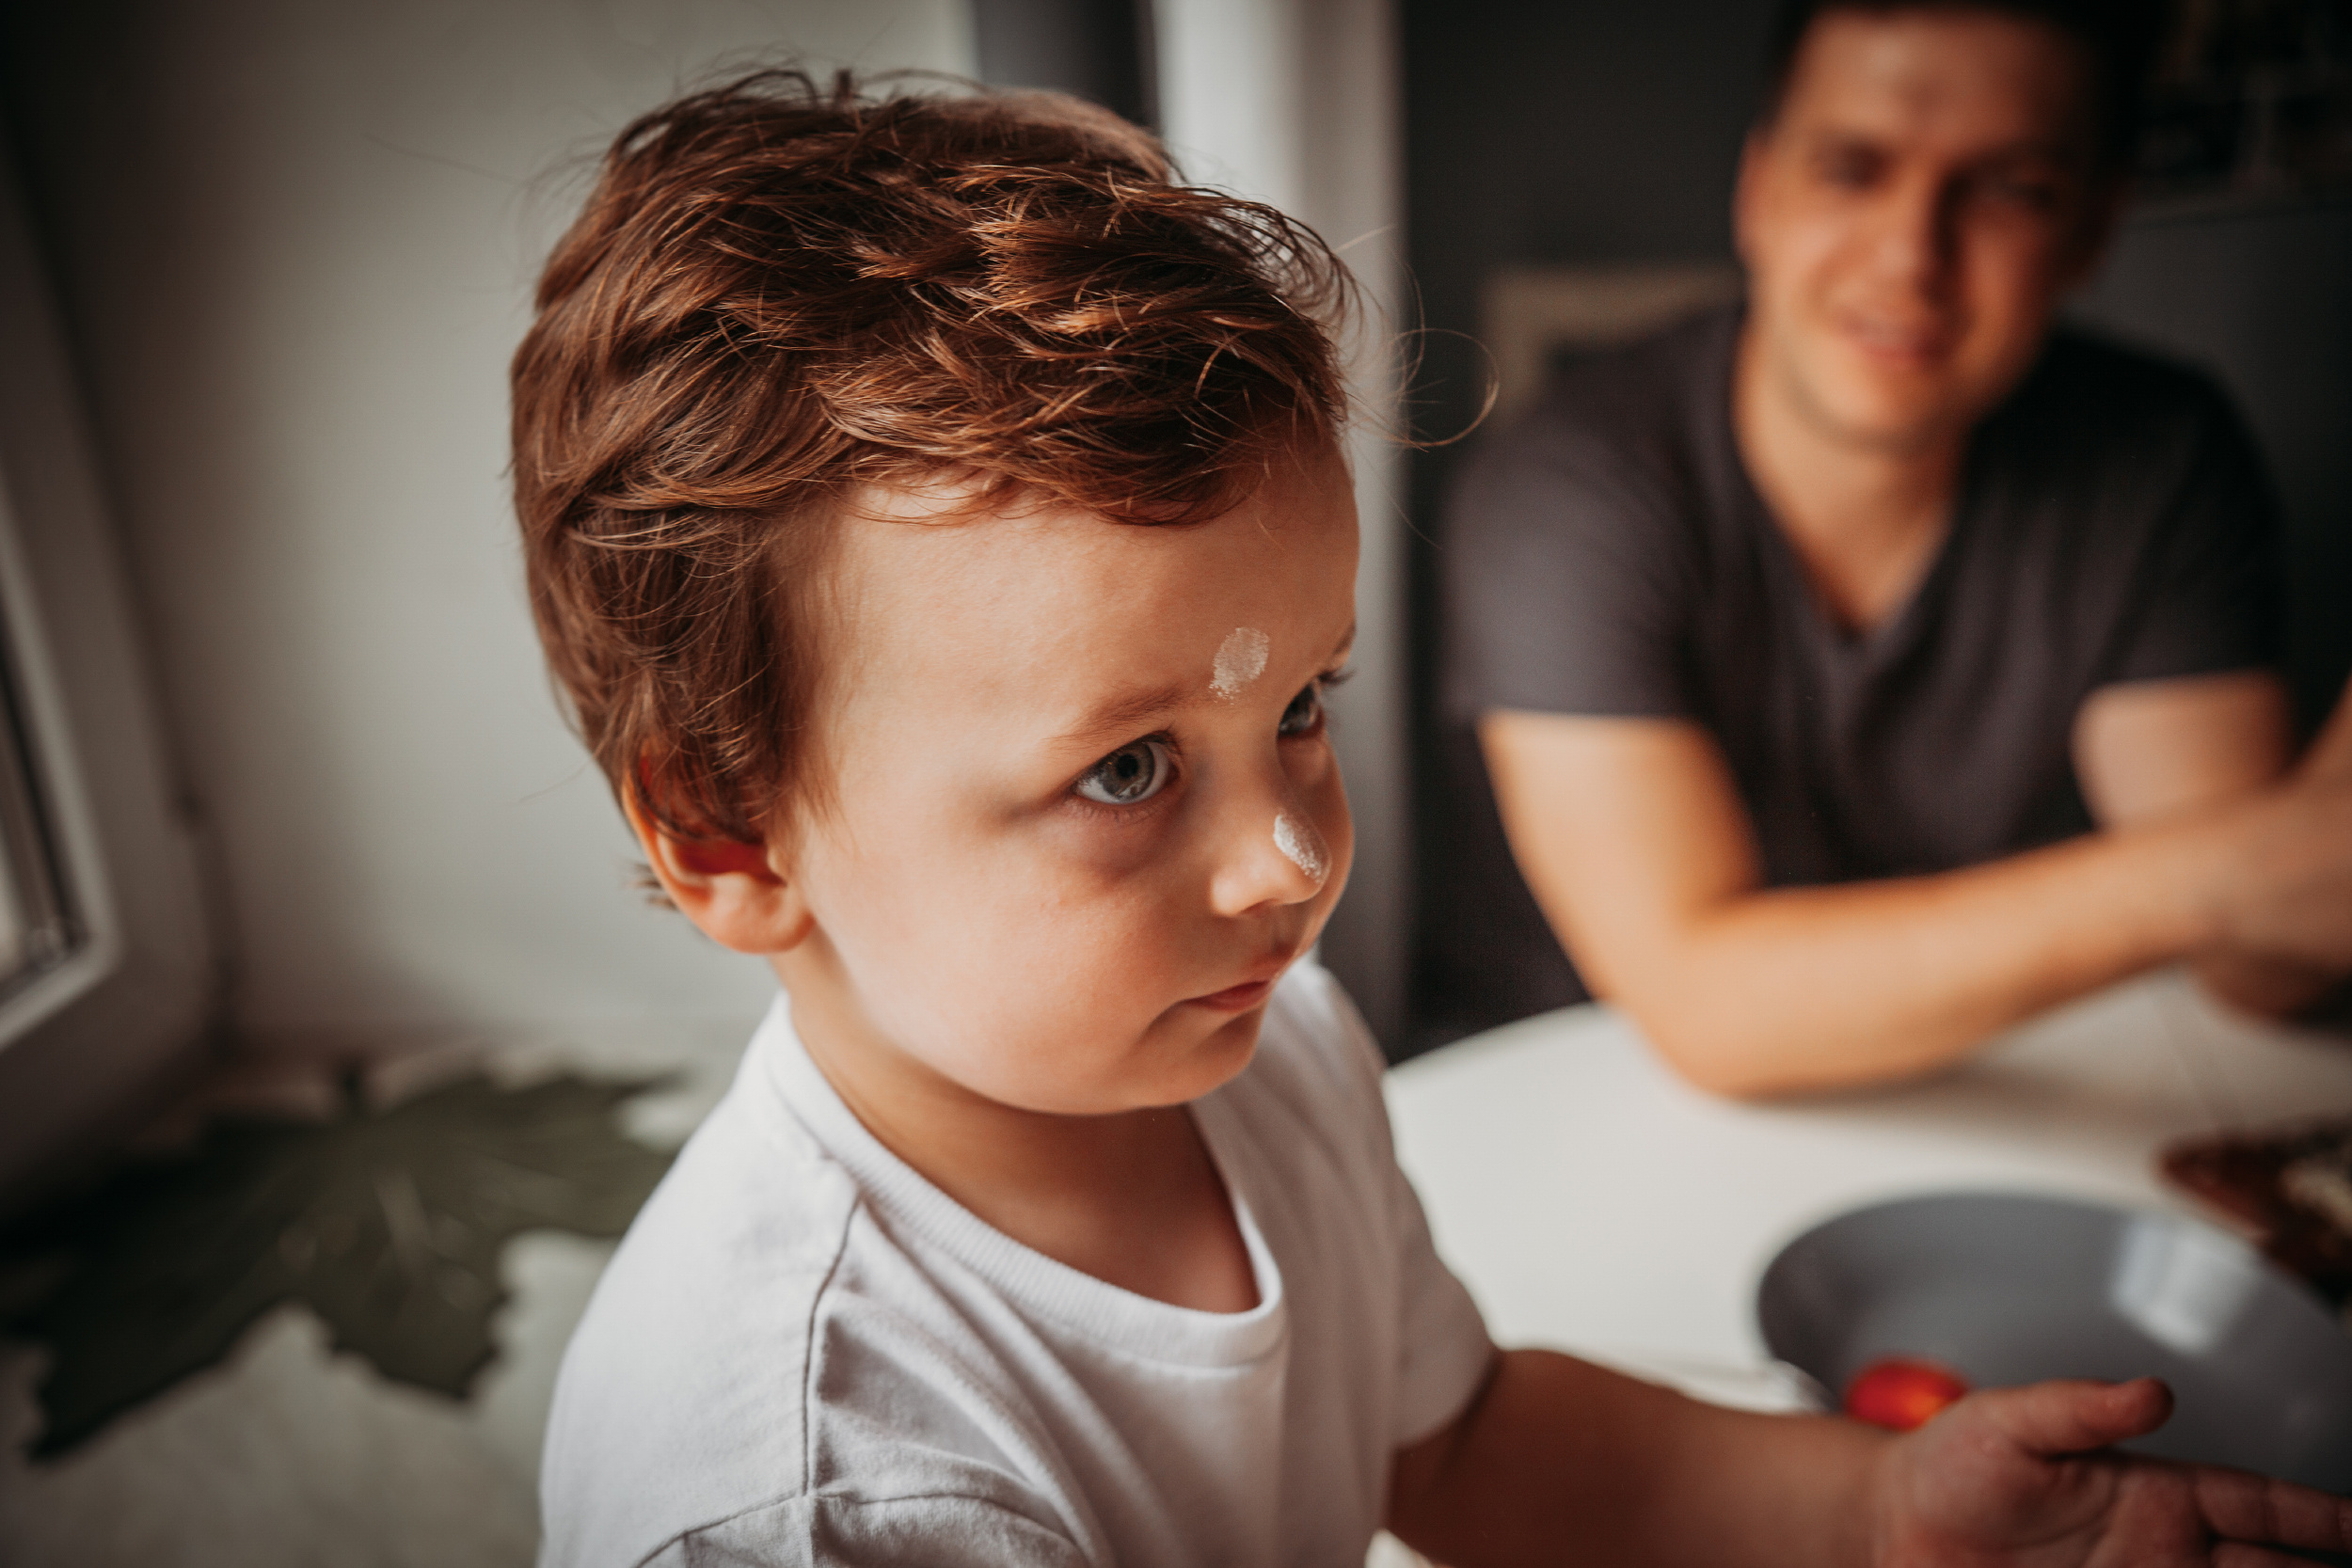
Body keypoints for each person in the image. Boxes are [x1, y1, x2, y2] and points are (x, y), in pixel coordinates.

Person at [516, 71, 2350, 1568]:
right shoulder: (818, 1498)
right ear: (731, 837)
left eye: (1298, 706)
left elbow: (1460, 1440)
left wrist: (1883, 1508)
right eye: (1127, 769)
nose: (1293, 859)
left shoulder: (1276, 1049)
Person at [1439, 0, 2352, 1096]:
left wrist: (2262, 870)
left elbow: (2257, 955)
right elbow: (1705, 1009)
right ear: (1758, 193)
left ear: (2091, 229)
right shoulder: (1569, 483)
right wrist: (2221, 875)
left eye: (2008, 188)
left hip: (2013, 1087)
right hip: (1594, 1096)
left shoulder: (2158, 455)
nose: (1911, 255)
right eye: (1851, 169)